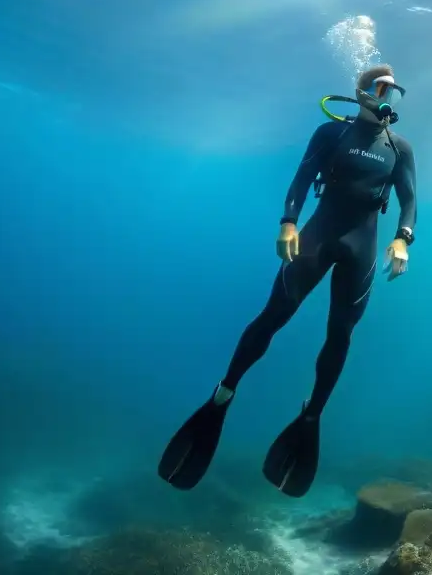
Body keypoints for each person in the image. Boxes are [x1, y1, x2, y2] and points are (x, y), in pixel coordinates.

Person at [158, 64, 418, 497]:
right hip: (315, 239)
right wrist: (288, 224)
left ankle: (313, 414)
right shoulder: (330, 134)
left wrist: (403, 240)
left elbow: (409, 200)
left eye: (396, 92)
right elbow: (300, 179)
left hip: (362, 249)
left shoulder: (400, 148)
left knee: (341, 335)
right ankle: (224, 393)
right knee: (274, 316)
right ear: (362, 91)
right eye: (382, 89)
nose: (389, 99)